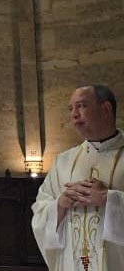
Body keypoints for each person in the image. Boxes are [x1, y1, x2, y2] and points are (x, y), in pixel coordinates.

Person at [31, 85, 124, 271]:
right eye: (71, 108)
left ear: (106, 110)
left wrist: (109, 199)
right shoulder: (63, 161)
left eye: (81, 106)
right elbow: (40, 210)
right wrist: (59, 204)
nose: (74, 115)